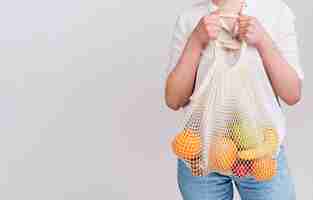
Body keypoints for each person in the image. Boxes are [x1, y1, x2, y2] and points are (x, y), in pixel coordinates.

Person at [164, 0, 304, 199]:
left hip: (260, 154)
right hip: (201, 155)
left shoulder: (276, 12)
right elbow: (173, 100)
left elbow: (292, 94)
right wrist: (196, 41)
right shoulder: (190, 18)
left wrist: (263, 41)